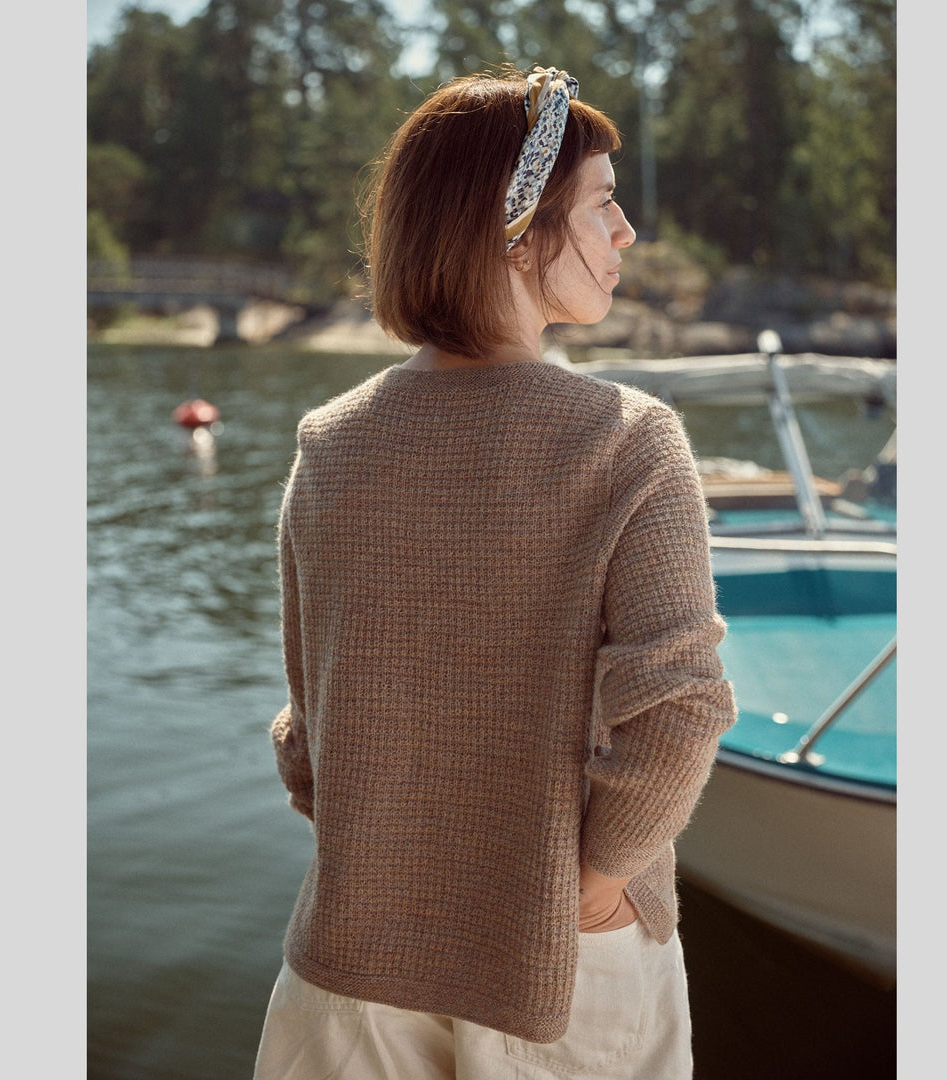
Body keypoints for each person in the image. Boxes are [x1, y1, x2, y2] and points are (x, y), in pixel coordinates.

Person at [253, 65, 737, 1080]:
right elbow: (681, 706)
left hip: (354, 954)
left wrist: (390, 849)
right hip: (562, 953)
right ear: (517, 234)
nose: (627, 234)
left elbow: (309, 730)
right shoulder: (626, 442)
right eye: (604, 203)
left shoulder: (328, 443)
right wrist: (601, 878)